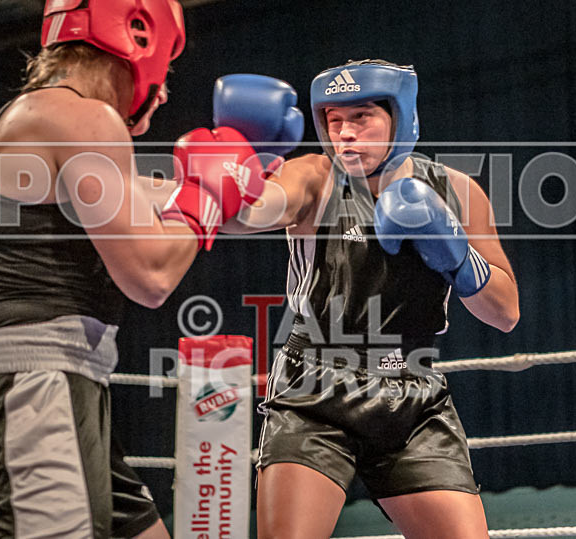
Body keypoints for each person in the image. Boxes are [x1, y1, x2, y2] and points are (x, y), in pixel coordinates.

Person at [0, 1, 301, 537]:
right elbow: (152, 275)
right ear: (138, 36)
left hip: (59, 388)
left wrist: (250, 178)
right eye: (169, 67)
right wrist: (209, 188)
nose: (163, 93)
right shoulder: (83, 118)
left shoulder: (50, 117)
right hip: (34, 388)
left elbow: (174, 205)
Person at [219, 59, 519, 538]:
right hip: (313, 387)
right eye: (334, 121)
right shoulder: (314, 177)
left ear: (399, 118)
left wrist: (457, 255)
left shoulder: (457, 192)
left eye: (361, 117)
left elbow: (505, 313)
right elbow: (254, 212)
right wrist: (233, 177)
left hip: (412, 389)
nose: (346, 134)